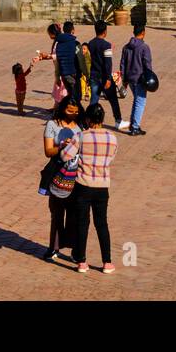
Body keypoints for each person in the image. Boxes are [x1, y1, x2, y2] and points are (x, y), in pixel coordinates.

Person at [70, 102, 119, 274]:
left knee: (82, 224)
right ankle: (107, 262)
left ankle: (82, 262)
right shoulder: (112, 137)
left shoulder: (81, 136)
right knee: (102, 224)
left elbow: (65, 155)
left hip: (83, 184)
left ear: (88, 119)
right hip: (102, 186)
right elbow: (111, 158)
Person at [41, 95, 83, 261]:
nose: (72, 114)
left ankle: (74, 251)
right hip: (57, 175)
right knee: (56, 214)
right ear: (63, 108)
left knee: (74, 215)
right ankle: (54, 247)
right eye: (69, 111)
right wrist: (62, 147)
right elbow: (47, 151)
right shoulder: (52, 125)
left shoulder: (80, 126)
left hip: (76, 176)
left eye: (75, 112)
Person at [86, 20, 124, 128]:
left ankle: (89, 121)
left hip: (94, 75)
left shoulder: (91, 43)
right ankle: (118, 120)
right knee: (113, 99)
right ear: (105, 31)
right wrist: (108, 78)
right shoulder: (106, 45)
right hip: (104, 77)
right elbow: (108, 63)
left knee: (94, 100)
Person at [120, 24, 152, 136]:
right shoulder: (144, 47)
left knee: (136, 100)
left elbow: (122, 64)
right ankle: (135, 127)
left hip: (130, 78)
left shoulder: (126, 47)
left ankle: (133, 123)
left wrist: (124, 80)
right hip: (140, 78)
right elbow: (147, 64)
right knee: (140, 102)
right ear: (143, 33)